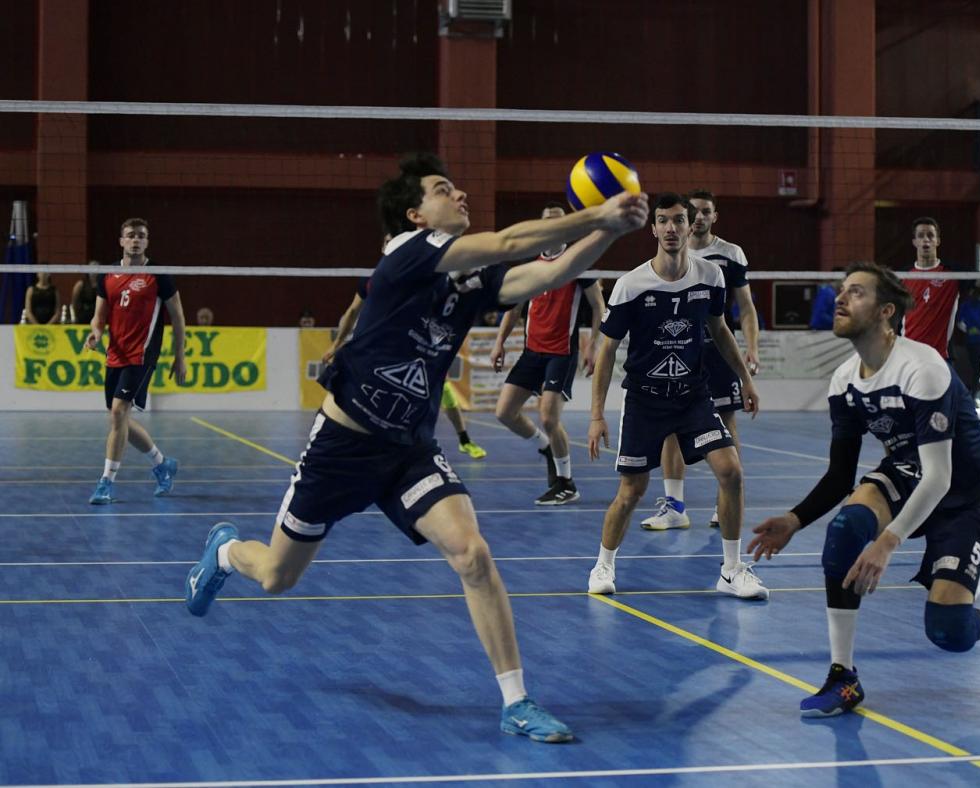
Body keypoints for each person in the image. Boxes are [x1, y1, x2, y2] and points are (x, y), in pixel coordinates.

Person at [184, 152, 648, 744]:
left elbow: (545, 275)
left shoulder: (468, 280)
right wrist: (596, 215)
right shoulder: (407, 254)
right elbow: (508, 241)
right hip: (343, 448)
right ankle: (225, 553)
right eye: (443, 189)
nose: (459, 196)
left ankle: (516, 701)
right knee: (276, 576)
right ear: (415, 213)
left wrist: (607, 230)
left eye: (457, 188)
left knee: (472, 554)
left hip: (408, 450)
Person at [748, 262, 980, 717]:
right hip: (906, 471)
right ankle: (843, 677)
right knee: (845, 530)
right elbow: (839, 476)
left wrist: (887, 541)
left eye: (857, 292)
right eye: (842, 291)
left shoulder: (922, 367)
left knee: (948, 631)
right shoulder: (844, 380)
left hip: (961, 494)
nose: (841, 299)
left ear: (887, 311)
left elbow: (940, 477)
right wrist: (794, 519)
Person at [586, 192, 767, 599]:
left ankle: (732, 570)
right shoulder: (631, 284)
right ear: (653, 228)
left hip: (693, 395)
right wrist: (597, 414)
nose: (671, 228)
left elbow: (720, 330)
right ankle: (603, 564)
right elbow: (607, 349)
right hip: (645, 401)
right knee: (631, 492)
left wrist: (746, 380)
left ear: (691, 226)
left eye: (679, 220)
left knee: (731, 472)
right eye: (664, 221)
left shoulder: (711, 276)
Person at [640, 189, 761, 531]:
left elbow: (746, 308)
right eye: (694, 212)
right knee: (670, 428)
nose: (700, 217)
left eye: (706, 211)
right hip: (678, 352)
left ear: (714, 216)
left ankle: (725, 502)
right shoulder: (671, 252)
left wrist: (751, 346)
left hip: (718, 353)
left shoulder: (729, 255)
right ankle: (674, 507)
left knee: (725, 421)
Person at [323, 239, 489, 460]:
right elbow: (352, 311)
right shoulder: (371, 281)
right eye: (389, 241)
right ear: (384, 247)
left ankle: (463, 440)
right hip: (373, 354)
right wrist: (337, 343)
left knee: (444, 393)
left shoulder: (418, 279)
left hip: (411, 352)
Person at [491, 201, 605, 505]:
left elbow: (599, 307)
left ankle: (566, 482)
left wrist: (593, 345)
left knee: (549, 417)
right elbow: (514, 309)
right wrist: (499, 342)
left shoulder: (577, 263)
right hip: (532, 352)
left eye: (558, 221)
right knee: (504, 412)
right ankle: (545, 448)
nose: (553, 226)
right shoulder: (531, 267)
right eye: (548, 221)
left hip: (561, 352)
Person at [84, 218, 186, 505]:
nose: (136, 240)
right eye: (130, 235)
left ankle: (106, 483)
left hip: (142, 355)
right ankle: (162, 464)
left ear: (147, 241)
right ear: (121, 241)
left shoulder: (158, 275)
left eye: (141, 236)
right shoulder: (108, 276)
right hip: (114, 354)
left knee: (118, 413)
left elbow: (177, 316)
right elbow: (99, 317)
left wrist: (181, 356)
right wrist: (95, 334)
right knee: (120, 419)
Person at [904, 217, 980, 359]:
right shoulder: (904, 275)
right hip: (908, 356)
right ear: (914, 242)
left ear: (938, 241)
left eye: (930, 235)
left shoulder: (953, 273)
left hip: (939, 357)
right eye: (921, 236)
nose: (926, 240)